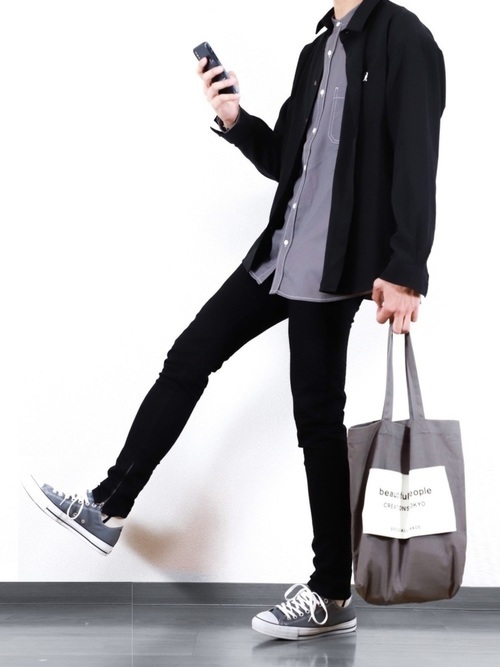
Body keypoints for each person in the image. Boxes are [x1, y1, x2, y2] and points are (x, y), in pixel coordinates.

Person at [23, 0, 445, 641]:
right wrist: (234, 117)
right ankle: (108, 507)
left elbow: (418, 157)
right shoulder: (317, 51)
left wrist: (407, 268)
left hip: (334, 270)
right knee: (189, 356)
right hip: (279, 255)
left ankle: (332, 592)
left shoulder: (404, 39)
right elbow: (285, 160)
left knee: (316, 424)